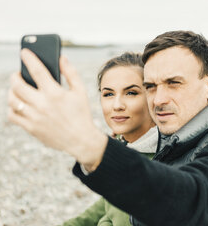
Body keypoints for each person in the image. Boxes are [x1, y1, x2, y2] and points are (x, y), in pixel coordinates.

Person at [8, 30, 208, 225]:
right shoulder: (187, 134)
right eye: (151, 87)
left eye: (174, 83)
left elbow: (186, 201)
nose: (159, 99)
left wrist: (86, 143)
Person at [62, 52, 157, 226]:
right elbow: (107, 204)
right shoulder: (125, 147)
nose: (117, 105)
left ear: (152, 96)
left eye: (131, 93)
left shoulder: (164, 158)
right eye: (108, 94)